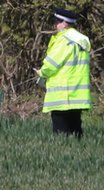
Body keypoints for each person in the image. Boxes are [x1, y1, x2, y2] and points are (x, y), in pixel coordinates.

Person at [36, 8, 92, 137]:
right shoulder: (81, 40)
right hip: (77, 94)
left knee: (61, 134)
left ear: (65, 23)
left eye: (57, 22)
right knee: (76, 130)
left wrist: (41, 73)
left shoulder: (64, 39)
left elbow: (51, 64)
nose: (55, 25)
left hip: (62, 94)